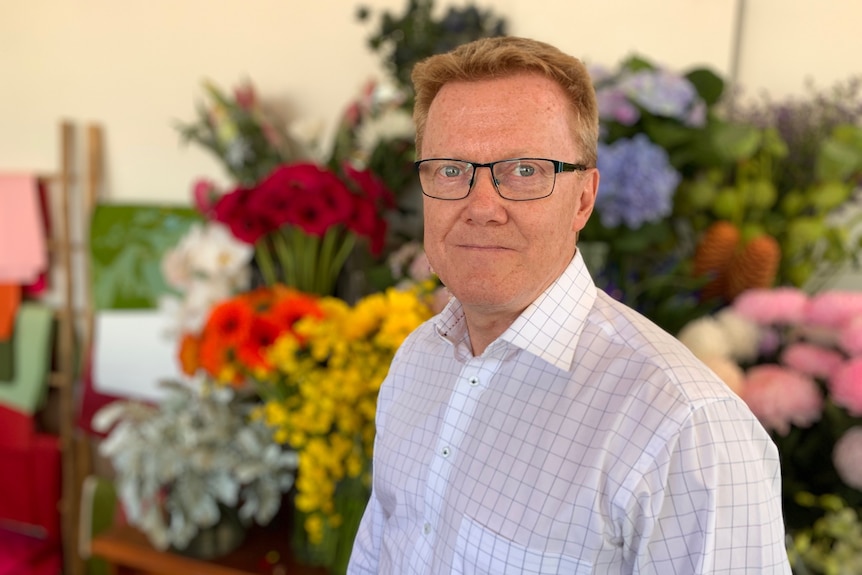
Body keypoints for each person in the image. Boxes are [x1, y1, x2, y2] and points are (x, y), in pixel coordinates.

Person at [347, 36, 791, 574]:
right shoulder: (418, 361)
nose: (481, 206)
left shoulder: (685, 428)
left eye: (525, 171)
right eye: (449, 169)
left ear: (583, 198)